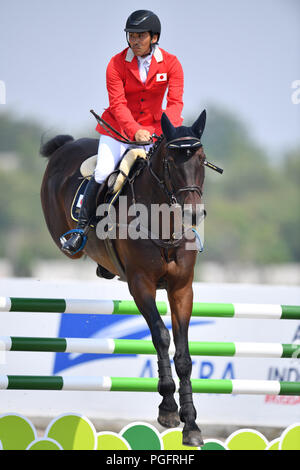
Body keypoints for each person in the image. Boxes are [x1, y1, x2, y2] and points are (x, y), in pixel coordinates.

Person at [62, 9, 184, 255]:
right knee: (104, 172)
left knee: (171, 174)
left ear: (154, 37)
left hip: (155, 133)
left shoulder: (171, 64)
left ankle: (183, 229)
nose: (135, 41)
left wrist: (166, 130)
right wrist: (134, 130)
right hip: (116, 131)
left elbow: (175, 103)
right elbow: (117, 104)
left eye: (141, 36)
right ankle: (82, 230)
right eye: (131, 36)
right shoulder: (116, 64)